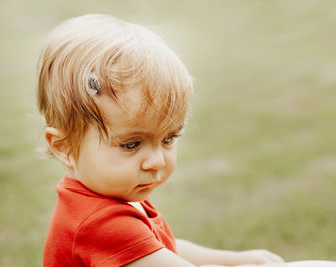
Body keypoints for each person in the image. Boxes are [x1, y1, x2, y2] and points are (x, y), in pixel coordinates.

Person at [37, 14, 286, 267]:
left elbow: (163, 247)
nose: (155, 161)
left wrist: (232, 260)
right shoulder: (99, 224)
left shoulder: (107, 198)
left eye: (168, 138)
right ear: (64, 147)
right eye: (131, 144)